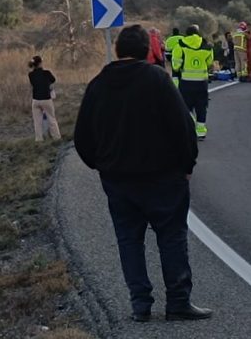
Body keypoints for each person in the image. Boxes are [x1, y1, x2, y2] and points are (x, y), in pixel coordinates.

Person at [74, 25, 211, 323]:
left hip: (118, 181)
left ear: (119, 50)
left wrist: (102, 166)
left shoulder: (98, 84)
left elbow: (82, 136)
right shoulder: (157, 80)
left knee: (129, 241)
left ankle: (140, 305)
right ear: (146, 51)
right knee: (172, 238)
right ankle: (177, 302)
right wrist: (187, 166)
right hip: (164, 178)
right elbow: (183, 127)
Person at [172, 25, 214, 139]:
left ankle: (191, 124)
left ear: (187, 33)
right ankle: (201, 131)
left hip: (186, 82)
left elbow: (175, 66)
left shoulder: (180, 46)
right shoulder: (207, 45)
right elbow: (210, 63)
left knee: (185, 106)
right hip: (202, 82)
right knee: (201, 106)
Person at [28, 55, 61, 141]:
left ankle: (39, 139)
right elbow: (53, 80)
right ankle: (56, 137)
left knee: (37, 121)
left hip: (35, 100)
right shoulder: (47, 73)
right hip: (46, 99)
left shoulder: (31, 75)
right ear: (40, 63)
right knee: (51, 119)